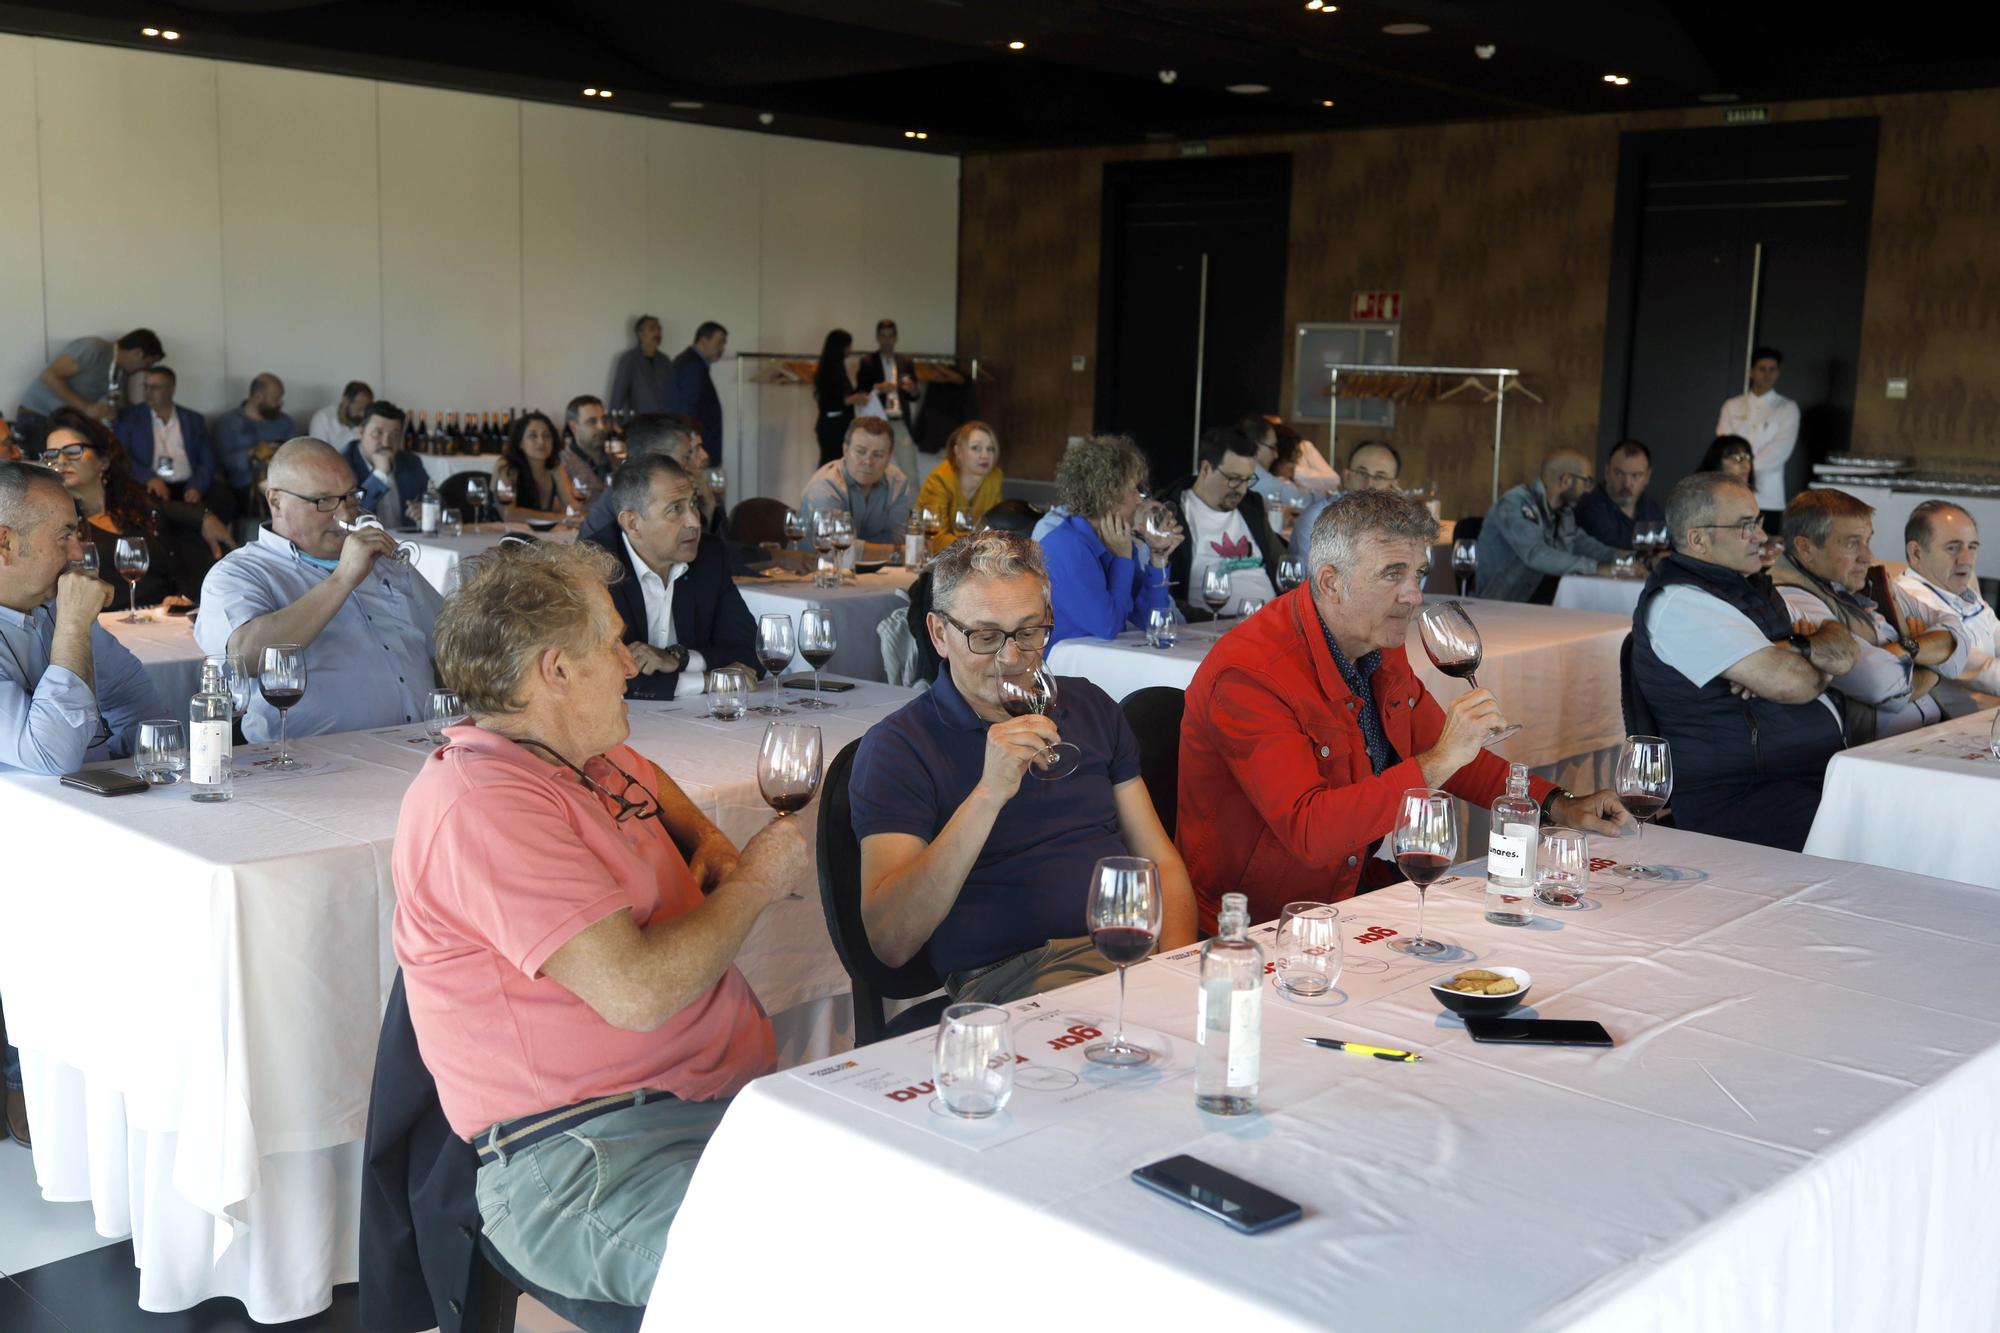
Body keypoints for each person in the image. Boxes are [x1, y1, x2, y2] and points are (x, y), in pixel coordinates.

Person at [392, 539, 808, 1311]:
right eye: (613, 644)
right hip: (586, 1158)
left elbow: (650, 783)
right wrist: (753, 879)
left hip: (705, 1114)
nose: (631, 663)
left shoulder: (576, 759)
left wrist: (708, 843)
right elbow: (639, 992)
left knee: (906, 1216)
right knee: (800, 1288)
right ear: (555, 670)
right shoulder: (484, 803)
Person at [1178, 491, 1631, 927]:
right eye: (1392, 574)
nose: (1414, 595)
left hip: (1350, 889)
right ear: (1332, 582)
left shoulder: (1377, 643)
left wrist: (1558, 804)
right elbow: (1310, 831)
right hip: (1259, 919)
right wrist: (1440, 759)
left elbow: (1451, 755)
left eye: (1418, 574)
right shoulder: (1251, 675)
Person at [849, 530, 1196, 1000]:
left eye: (1029, 632)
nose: (1011, 658)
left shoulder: (1090, 706)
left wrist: (1174, 972)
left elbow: (1160, 863)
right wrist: (988, 794)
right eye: (986, 636)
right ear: (939, 634)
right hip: (1018, 978)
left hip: (1135, 954)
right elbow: (891, 941)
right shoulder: (898, 748)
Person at [1631, 473, 1855, 850]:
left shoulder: (1747, 587)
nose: (1761, 537)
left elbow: (1844, 646)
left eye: (1758, 522)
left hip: (1799, 777)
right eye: (1743, 526)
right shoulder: (1681, 603)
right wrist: (1813, 661)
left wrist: (1794, 648)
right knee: (1883, 837)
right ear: (1698, 539)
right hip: (1740, 796)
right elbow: (1794, 683)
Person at [197, 437, 443, 740]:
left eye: (350, 497)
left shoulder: (383, 561)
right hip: (314, 765)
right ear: (275, 501)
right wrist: (342, 579)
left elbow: (449, 642)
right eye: (323, 501)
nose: (345, 514)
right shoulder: (239, 573)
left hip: (421, 749)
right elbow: (246, 657)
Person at [0, 458, 163, 774]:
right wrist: (73, 626)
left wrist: (124, 769)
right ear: (5, 543)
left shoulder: (53, 605)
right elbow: (53, 756)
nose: (78, 554)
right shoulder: (69, 612)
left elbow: (136, 703)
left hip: (99, 813)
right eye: (65, 535)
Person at [1771, 488, 1965, 741]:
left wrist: (1905, 650)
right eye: (1853, 544)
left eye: (1868, 541)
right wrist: (1934, 667)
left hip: (1933, 734)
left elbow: (1958, 634)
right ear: (1805, 547)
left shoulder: (1870, 582)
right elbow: (1879, 683)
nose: (1868, 557)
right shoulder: (1791, 597)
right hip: (1875, 754)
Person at [586, 453, 758, 702]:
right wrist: (708, 681)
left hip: (696, 722)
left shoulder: (709, 556)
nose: (694, 522)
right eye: (675, 509)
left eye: (694, 504)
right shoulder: (594, 566)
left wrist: (678, 658)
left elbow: (750, 651)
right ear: (633, 524)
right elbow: (598, 674)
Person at [42, 408, 232, 608]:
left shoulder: (137, 507)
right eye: (52, 455)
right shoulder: (57, 525)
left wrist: (204, 515)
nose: (61, 462)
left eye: (72, 451)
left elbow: (168, 511)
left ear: (104, 460)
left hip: (160, 619)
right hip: (105, 626)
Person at [1039, 434, 1180, 648]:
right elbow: (1107, 627)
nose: (1140, 498)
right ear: (1107, 496)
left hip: (1100, 663)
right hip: (1064, 673)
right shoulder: (1065, 546)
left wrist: (1157, 557)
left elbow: (1152, 622)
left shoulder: (1116, 539)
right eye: (1134, 489)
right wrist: (1123, 559)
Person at [1474, 446, 1628, 603]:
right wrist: (1596, 568)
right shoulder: (1515, 502)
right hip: (1495, 609)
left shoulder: (1563, 513)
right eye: (1587, 481)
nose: (1589, 489)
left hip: (1535, 610)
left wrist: (1629, 559)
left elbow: (1583, 544)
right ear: (1566, 480)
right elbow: (1535, 553)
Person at [1160, 425, 1282, 616]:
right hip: (1208, 629)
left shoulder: (1252, 506)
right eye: (1234, 479)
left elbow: (1280, 562)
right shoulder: (1171, 512)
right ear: (1206, 469)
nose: (1242, 489)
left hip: (1270, 625)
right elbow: (1167, 593)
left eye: (1248, 479)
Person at [1898, 500, 1999, 696]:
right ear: (1916, 553)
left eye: (1972, 547)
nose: (1966, 560)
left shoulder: (1956, 588)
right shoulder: (1911, 601)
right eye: (1953, 548)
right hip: (1960, 723)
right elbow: (1983, 671)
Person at [112, 365, 228, 520]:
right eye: (145, 386)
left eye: (155, 387)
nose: (148, 392)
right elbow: (122, 456)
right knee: (140, 501)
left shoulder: (193, 420)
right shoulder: (129, 418)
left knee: (224, 498)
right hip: (150, 484)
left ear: (171, 389)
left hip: (187, 483)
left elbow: (207, 460)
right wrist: (149, 478)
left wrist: (196, 487)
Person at [15, 329, 164, 448]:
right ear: (137, 353)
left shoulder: (121, 373)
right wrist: (86, 408)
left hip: (64, 424)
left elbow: (118, 404)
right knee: (45, 478)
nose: (145, 369)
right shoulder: (94, 348)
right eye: (148, 363)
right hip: (38, 417)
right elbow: (49, 377)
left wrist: (109, 411)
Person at [576, 415, 704, 549]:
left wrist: (709, 506)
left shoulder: (669, 493)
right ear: (655, 457)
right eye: (686, 457)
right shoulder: (627, 497)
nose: (692, 466)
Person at [1716, 346, 1799, 524]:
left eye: (1772, 369)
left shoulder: (1787, 408)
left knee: (1765, 546)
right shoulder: (1732, 405)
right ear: (1752, 372)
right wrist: (1738, 473)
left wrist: (1745, 469)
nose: (1767, 374)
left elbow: (1780, 450)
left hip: (1768, 494)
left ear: (1778, 373)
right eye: (1762, 369)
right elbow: (1724, 445)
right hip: (1731, 491)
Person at [798, 417, 912, 545]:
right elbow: (833, 547)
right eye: (860, 452)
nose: (868, 462)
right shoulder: (824, 488)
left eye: (878, 455)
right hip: (819, 564)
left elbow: (899, 541)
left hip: (883, 564)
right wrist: (885, 551)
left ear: (889, 457)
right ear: (845, 450)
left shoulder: (898, 483)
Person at [212, 373, 298, 507]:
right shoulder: (228, 423)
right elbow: (223, 463)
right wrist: (251, 453)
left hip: (283, 483)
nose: (280, 403)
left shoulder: (285, 422)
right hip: (244, 486)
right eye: (276, 398)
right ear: (258, 397)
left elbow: (297, 455)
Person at [916, 420, 1005, 548]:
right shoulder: (939, 479)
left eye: (990, 449)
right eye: (976, 448)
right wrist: (976, 547)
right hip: (931, 557)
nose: (985, 455)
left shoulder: (994, 477)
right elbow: (935, 538)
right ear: (958, 451)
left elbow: (996, 529)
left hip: (973, 557)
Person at [854, 318, 923, 483]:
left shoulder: (905, 362)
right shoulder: (867, 362)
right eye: (883, 336)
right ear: (877, 338)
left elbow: (915, 395)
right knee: (874, 469)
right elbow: (860, 394)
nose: (887, 340)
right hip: (877, 421)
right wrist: (878, 388)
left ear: (896, 337)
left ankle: (912, 509)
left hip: (899, 420)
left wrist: (912, 388)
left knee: (910, 472)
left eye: (890, 336)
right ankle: (872, 508)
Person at [343, 401, 431, 526]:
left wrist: (428, 509)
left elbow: (438, 500)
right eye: (377, 433)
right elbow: (348, 515)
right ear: (361, 432)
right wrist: (379, 474)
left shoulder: (411, 462)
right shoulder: (342, 464)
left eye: (395, 435)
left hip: (408, 543)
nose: (386, 443)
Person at [1574, 439, 1665, 550]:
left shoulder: (1651, 508)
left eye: (1636, 476)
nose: (1627, 483)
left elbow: (1664, 545)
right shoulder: (1590, 507)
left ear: (1647, 476)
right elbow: (1611, 551)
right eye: (1619, 473)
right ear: (1607, 472)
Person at [665, 321, 726, 463]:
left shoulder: (691, 362)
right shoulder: (692, 365)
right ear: (703, 340)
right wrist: (693, 449)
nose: (722, 348)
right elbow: (687, 411)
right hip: (697, 452)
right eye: (720, 342)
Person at [813, 328, 870, 466]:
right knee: (831, 466)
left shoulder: (835, 367)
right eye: (848, 346)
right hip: (833, 426)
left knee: (835, 465)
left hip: (837, 425)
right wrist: (854, 398)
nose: (850, 349)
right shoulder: (829, 369)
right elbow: (829, 401)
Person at [497, 410, 566, 520]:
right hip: (499, 534)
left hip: (539, 535)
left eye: (547, 436)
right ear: (520, 443)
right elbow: (509, 514)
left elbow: (572, 506)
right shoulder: (509, 469)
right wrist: (557, 517)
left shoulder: (555, 469)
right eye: (533, 436)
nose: (541, 442)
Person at [608, 314, 674, 415]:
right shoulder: (629, 360)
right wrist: (613, 421)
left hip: (664, 422)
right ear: (640, 334)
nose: (657, 333)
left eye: (659, 329)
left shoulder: (665, 361)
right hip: (639, 422)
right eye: (652, 329)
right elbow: (618, 395)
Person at [307, 381, 375, 452]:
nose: (363, 414)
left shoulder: (369, 419)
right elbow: (318, 453)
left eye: (366, 409)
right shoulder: (322, 419)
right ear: (346, 401)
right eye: (359, 409)